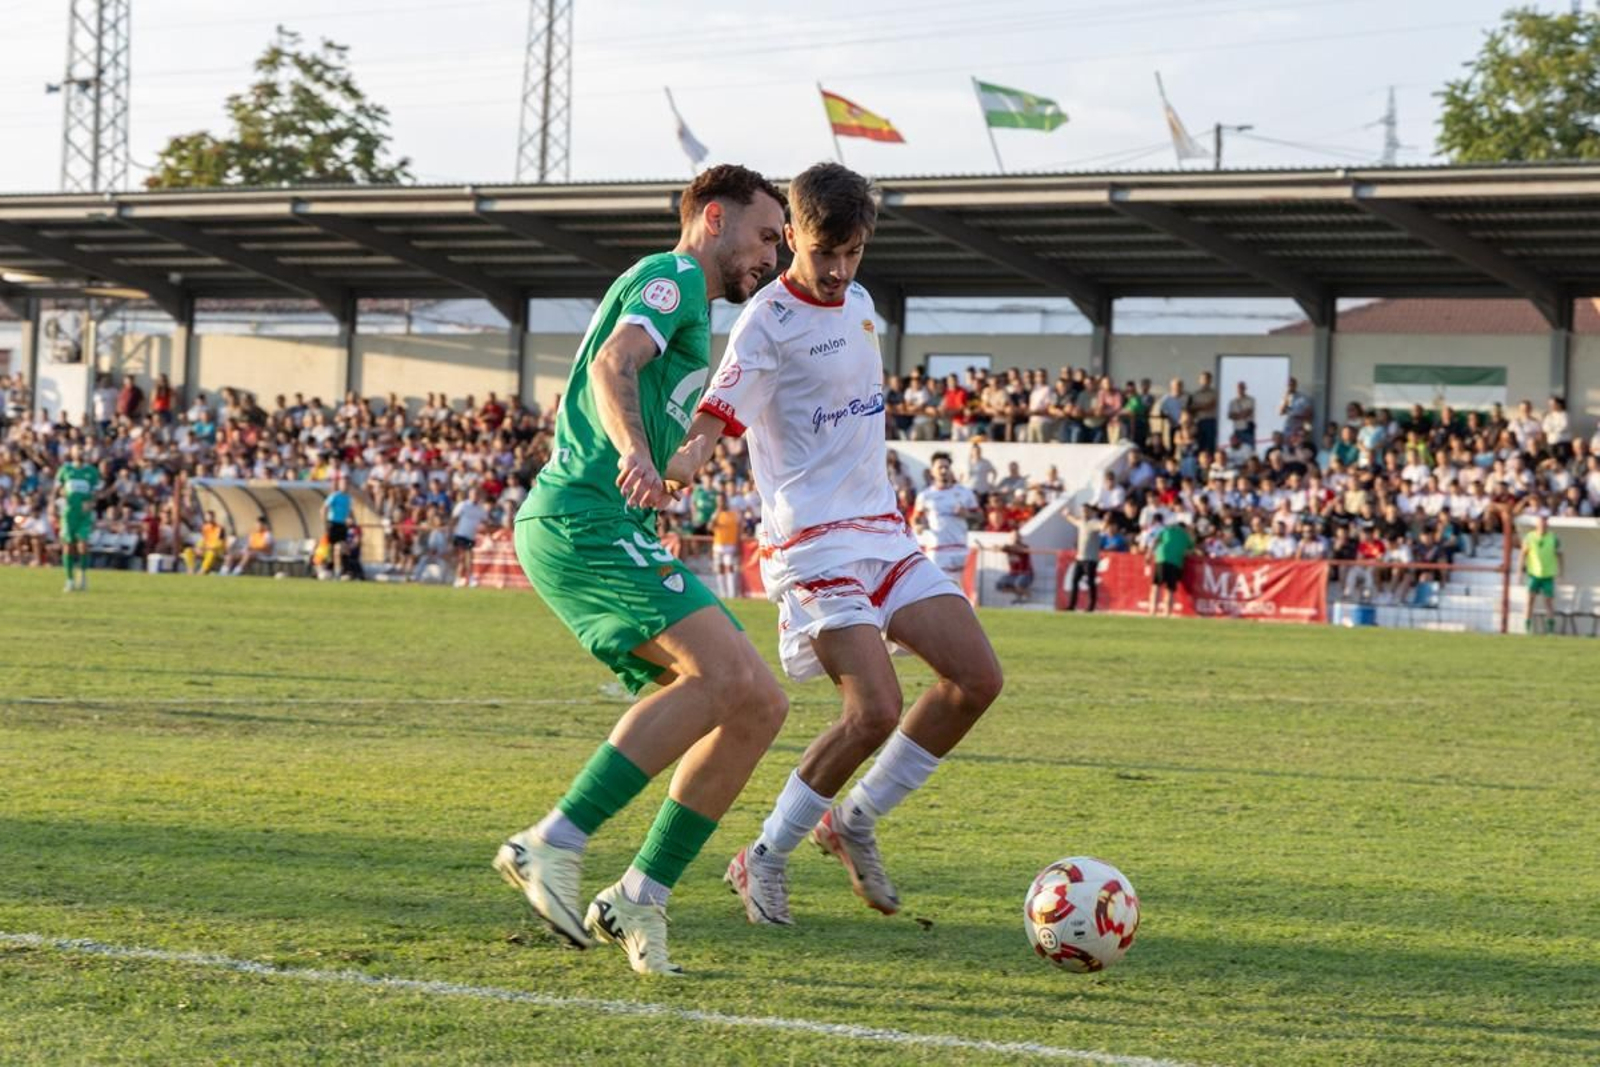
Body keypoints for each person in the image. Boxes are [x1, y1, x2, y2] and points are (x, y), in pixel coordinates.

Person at [678, 162, 1003, 928]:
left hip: (882, 531)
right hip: (812, 544)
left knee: (976, 679)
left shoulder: (859, 304)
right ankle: (763, 853)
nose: (839, 270)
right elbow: (717, 415)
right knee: (874, 709)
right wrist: (685, 458)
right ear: (792, 235)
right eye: (825, 252)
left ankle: (851, 819)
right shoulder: (767, 320)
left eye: (853, 252)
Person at [492, 164, 790, 977]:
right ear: (714, 218)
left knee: (757, 703)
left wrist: (677, 454)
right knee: (724, 676)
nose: (772, 256)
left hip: (606, 521)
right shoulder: (675, 277)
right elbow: (611, 364)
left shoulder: (687, 299)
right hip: (584, 516)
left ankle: (640, 894)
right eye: (766, 236)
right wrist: (634, 453)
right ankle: (552, 840)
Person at [912, 456, 981, 576]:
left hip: (960, 548)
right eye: (940, 467)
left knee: (958, 586)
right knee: (939, 585)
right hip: (937, 550)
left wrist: (967, 514)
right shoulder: (925, 495)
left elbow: (980, 517)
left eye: (946, 467)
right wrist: (917, 526)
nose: (944, 470)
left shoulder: (965, 493)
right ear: (932, 471)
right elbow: (915, 518)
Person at [52, 443, 101, 592]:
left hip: (84, 514)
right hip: (69, 513)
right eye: (77, 449)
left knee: (83, 544)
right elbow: (56, 489)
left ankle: (83, 576)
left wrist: (91, 502)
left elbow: (96, 492)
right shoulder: (65, 470)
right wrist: (55, 502)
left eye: (81, 450)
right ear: (71, 453)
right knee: (68, 545)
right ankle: (69, 580)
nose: (80, 452)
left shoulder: (91, 472)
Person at [1521, 513, 1563, 632]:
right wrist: (1520, 571)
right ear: (1537, 525)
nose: (1543, 526)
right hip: (1533, 574)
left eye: (1545, 523)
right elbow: (1523, 554)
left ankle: (1550, 629)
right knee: (1530, 601)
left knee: (1548, 602)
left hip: (1548, 575)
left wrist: (1561, 572)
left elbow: (1560, 555)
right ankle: (1527, 628)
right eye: (1541, 523)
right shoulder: (1529, 537)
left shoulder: (1553, 538)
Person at [1147, 518, 1194, 618]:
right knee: (1170, 589)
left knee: (1156, 586)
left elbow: (1155, 541)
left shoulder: (1167, 530)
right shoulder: (1186, 536)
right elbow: (1191, 550)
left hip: (1162, 558)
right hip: (1176, 562)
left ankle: (1152, 611)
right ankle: (1167, 613)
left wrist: (1149, 553)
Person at [1062, 502, 1102, 612]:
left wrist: (1107, 521)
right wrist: (1066, 514)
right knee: (1074, 581)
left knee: (1090, 582)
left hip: (1091, 558)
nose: (1083, 513)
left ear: (1090, 512)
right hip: (1080, 558)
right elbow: (1073, 520)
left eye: (1085, 510)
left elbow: (1103, 526)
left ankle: (1091, 606)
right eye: (1082, 511)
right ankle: (1071, 605)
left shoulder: (1094, 523)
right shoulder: (1081, 522)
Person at [450, 485, 490, 587]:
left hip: (471, 536)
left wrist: (486, 531)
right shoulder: (463, 505)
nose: (475, 496)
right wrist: (450, 532)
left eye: (477, 494)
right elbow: (454, 518)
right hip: (460, 534)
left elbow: (485, 522)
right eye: (473, 494)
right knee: (462, 557)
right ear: (469, 495)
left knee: (469, 558)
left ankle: (469, 578)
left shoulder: (481, 509)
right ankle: (458, 579)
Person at [709, 492, 743, 599]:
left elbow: (739, 529)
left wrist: (737, 544)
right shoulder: (715, 514)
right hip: (718, 544)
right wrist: (716, 515)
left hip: (730, 545)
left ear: (725, 500)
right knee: (719, 568)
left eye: (722, 500)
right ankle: (722, 593)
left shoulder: (733, 513)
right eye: (718, 501)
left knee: (730, 568)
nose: (720, 503)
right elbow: (710, 527)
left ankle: (731, 594)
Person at [321, 475, 353, 579]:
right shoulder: (334, 496)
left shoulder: (348, 498)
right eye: (343, 484)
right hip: (333, 523)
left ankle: (344, 571)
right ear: (339, 485)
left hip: (342, 524)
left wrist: (350, 519)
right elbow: (324, 509)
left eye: (346, 484)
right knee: (331, 546)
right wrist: (325, 523)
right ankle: (328, 569)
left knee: (343, 547)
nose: (345, 486)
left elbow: (349, 511)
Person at [996, 527, 1034, 602]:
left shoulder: (1024, 547)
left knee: (1018, 583)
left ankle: (1028, 595)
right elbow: (999, 547)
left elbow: (1018, 549)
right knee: (999, 585)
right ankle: (1021, 594)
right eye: (1013, 536)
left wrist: (1006, 548)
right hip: (1013, 574)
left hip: (1026, 573)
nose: (1015, 538)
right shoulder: (1008, 548)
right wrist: (998, 547)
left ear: (1020, 537)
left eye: (1017, 536)